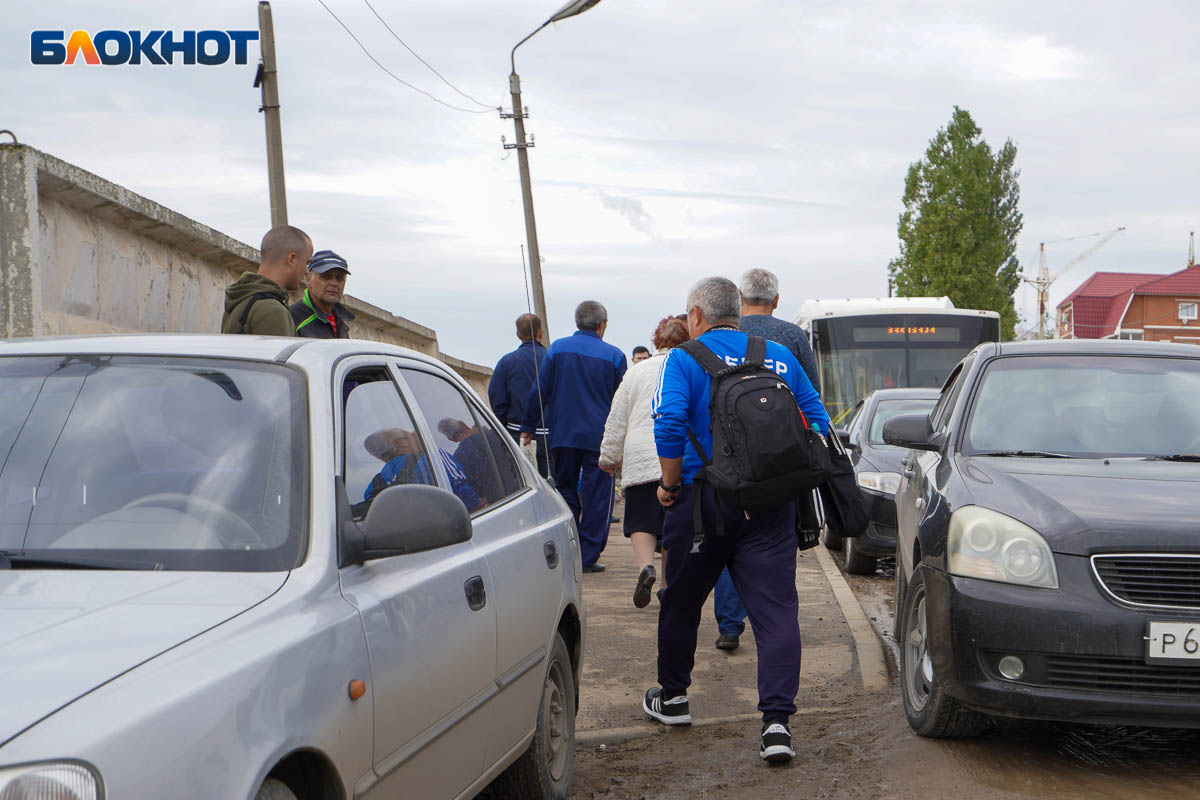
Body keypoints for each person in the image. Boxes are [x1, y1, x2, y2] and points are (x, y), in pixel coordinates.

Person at [643, 276, 829, 764]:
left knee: (681, 600)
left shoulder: (683, 360)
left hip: (700, 502)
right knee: (775, 613)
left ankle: (674, 698)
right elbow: (818, 420)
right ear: (739, 314)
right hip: (770, 504)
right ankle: (776, 726)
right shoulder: (779, 356)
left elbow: (668, 420)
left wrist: (667, 485)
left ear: (697, 317)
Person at [710, 267, 824, 650]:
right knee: (776, 548)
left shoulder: (727, 339)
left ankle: (729, 625)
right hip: (782, 463)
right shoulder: (791, 337)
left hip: (729, 462)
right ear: (776, 301)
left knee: (730, 545)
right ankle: (774, 625)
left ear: (740, 300)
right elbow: (812, 397)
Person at [521, 301, 627, 573]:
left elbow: (539, 390)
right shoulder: (614, 356)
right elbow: (621, 401)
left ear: (578, 322)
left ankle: (568, 548)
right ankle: (587, 555)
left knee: (565, 489)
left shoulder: (557, 348)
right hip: (599, 439)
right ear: (602, 325)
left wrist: (528, 426)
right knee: (597, 496)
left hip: (563, 435)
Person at [600, 316, 690, 607]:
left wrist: (609, 456)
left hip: (639, 455)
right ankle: (666, 584)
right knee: (671, 527)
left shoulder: (637, 371)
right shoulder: (690, 367)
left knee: (640, 519)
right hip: (674, 456)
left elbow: (617, 417)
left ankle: (644, 568)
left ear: (656, 340)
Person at [360, 428, 482, 513]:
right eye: (411, 435)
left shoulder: (375, 483)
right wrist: (479, 508)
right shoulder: (432, 457)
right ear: (402, 443)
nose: (420, 438)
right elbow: (460, 489)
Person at [488, 313, 551, 479]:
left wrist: (504, 430)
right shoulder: (552, 360)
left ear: (518, 335)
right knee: (552, 487)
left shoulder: (506, 362)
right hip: (550, 435)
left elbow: (497, 401)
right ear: (540, 333)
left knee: (523, 484)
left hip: (517, 436)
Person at [223, 225, 313, 336]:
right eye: (307, 263)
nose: (306, 271)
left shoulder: (240, 298)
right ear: (292, 259)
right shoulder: (272, 310)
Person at [437, 417, 509, 505]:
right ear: (464, 424)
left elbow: (474, 492)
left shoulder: (457, 459)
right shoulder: (495, 435)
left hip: (497, 503)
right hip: (520, 489)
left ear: (451, 439)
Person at [290, 250, 355, 338]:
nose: (334, 283)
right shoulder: (291, 318)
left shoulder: (341, 322)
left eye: (339, 278)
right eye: (326, 277)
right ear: (308, 278)